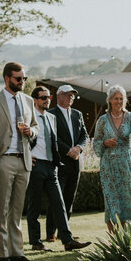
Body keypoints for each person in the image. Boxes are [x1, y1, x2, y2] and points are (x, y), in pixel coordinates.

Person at [24, 85, 89, 252]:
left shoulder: (51, 118)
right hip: (36, 164)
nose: (46, 100)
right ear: (35, 100)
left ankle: (67, 241)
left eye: (48, 97)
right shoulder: (29, 117)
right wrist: (26, 155)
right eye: (43, 98)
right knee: (35, 206)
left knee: (59, 204)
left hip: (51, 166)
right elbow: (21, 139)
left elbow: (53, 141)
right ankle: (36, 242)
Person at [0, 62, 39, 261]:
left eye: (24, 78)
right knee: (2, 208)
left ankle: (17, 252)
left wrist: (31, 131)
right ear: (7, 78)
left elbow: (36, 126)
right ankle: (2, 254)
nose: (22, 82)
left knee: (17, 210)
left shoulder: (28, 100)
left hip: (24, 160)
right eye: (19, 79)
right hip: (4, 159)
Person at [92, 85, 131, 230]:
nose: (119, 101)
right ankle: (114, 241)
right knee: (111, 199)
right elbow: (96, 141)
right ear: (110, 100)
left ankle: (128, 236)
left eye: (121, 98)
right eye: (116, 98)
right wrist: (104, 142)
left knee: (129, 199)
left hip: (126, 163)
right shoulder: (103, 120)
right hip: (108, 164)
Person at [47, 84, 87, 242]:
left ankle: (65, 232)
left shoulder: (78, 114)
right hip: (59, 162)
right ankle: (51, 232)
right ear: (59, 96)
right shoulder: (51, 114)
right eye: (68, 94)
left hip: (75, 162)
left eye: (73, 95)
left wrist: (78, 148)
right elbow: (53, 136)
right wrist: (68, 150)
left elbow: (84, 135)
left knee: (69, 197)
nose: (71, 97)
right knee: (56, 199)